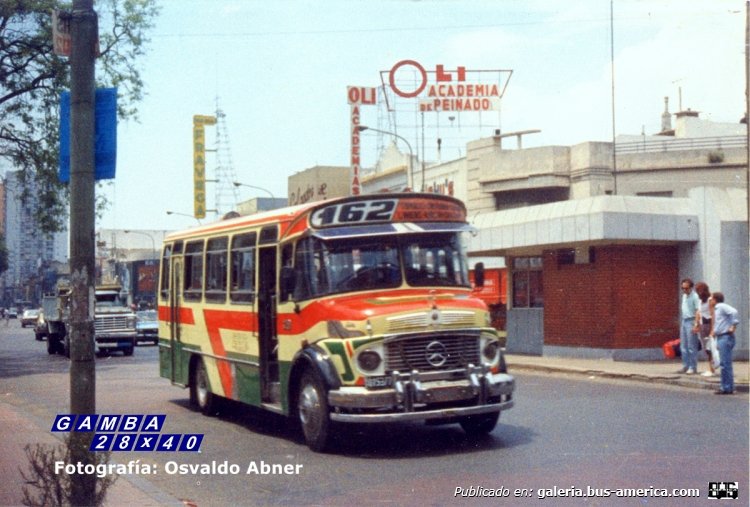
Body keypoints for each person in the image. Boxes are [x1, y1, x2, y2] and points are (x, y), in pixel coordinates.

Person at [710, 292, 739, 395]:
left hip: (725, 336)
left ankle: (726, 387)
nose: (710, 300)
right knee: (724, 363)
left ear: (715, 299)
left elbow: (734, 312)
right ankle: (727, 387)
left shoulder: (721, 306)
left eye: (711, 298)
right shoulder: (717, 309)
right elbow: (720, 323)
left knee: (725, 363)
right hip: (721, 336)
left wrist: (733, 325)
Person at [678, 278, 700, 374]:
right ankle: (686, 365)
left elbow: (697, 311)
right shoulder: (684, 296)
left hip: (691, 320)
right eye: (682, 288)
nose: (684, 290)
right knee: (683, 346)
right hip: (684, 320)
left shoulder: (695, 297)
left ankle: (693, 367)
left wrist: (696, 324)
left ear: (691, 288)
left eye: (686, 288)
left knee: (691, 346)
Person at [694, 282, 715, 377]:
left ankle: (712, 369)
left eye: (699, 290)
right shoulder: (700, 301)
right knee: (706, 349)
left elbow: (713, 315)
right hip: (703, 325)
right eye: (697, 291)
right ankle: (711, 368)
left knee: (710, 348)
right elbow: (698, 313)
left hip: (709, 324)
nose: (698, 293)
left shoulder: (710, 300)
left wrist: (712, 329)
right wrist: (696, 324)